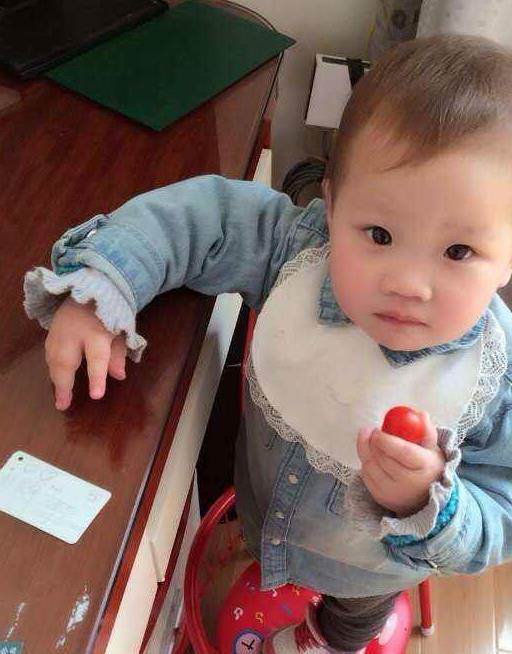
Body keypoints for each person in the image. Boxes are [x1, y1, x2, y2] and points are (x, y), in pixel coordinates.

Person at [24, 34, 512, 654]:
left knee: (352, 619)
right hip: (259, 507)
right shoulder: (297, 253)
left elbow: (501, 515)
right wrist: (104, 288)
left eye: (459, 251)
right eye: (379, 234)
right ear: (332, 208)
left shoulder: (496, 379)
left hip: (367, 574)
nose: (408, 284)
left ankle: (326, 638)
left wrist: (429, 504)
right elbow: (201, 216)